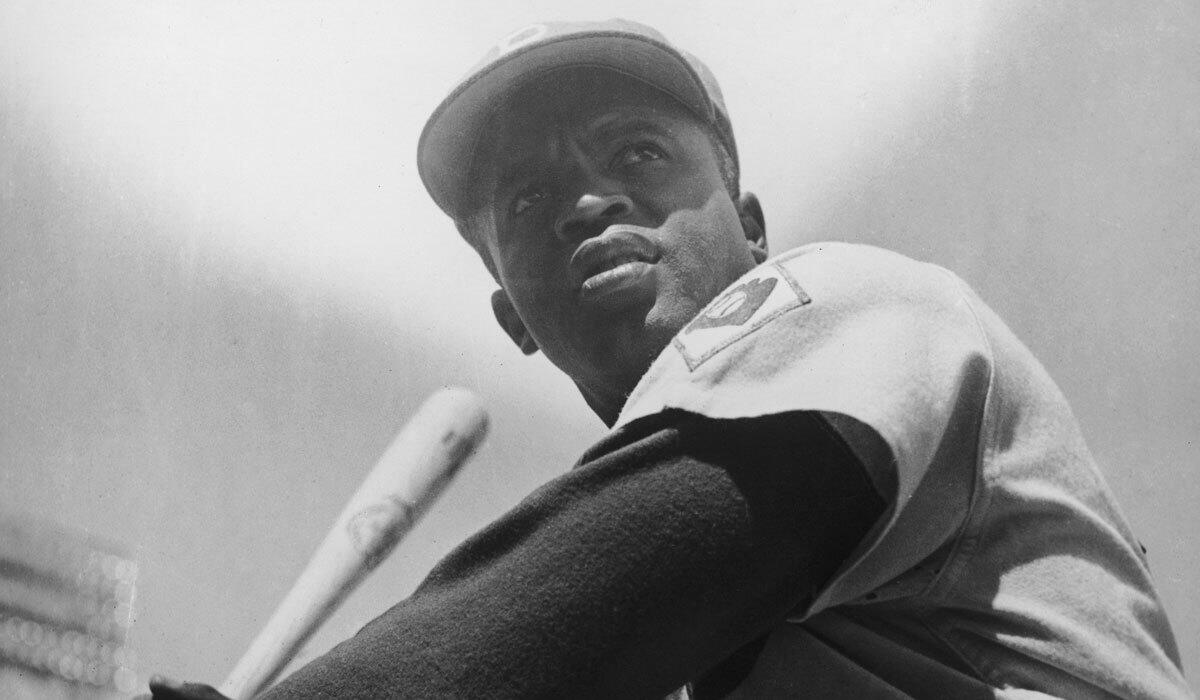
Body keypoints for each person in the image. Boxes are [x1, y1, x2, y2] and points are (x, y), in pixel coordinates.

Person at [147, 19, 1192, 699]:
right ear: (515, 317)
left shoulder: (868, 304)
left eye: (636, 152)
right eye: (527, 201)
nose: (587, 201)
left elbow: (566, 602)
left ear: (751, 228)